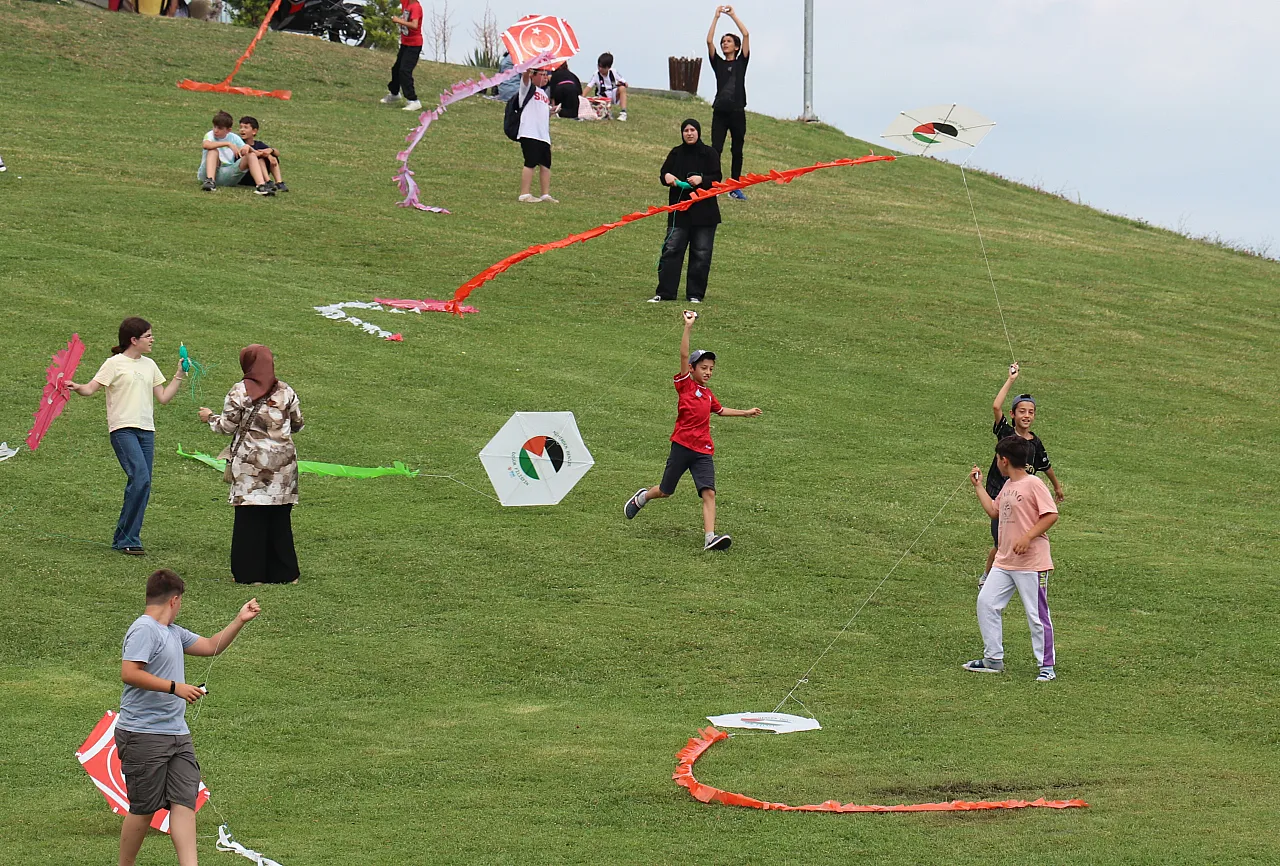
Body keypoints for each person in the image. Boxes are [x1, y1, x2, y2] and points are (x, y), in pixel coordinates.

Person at [116, 569, 260, 866]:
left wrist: (239, 621)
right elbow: (129, 673)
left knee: (184, 801)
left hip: (177, 734)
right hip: (143, 733)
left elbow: (210, 646)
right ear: (174, 600)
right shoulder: (144, 629)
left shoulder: (174, 632)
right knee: (143, 807)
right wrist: (175, 687)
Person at [624, 310, 761, 551]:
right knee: (666, 491)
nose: (708, 372)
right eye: (704, 367)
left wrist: (745, 412)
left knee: (709, 492)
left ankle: (710, 537)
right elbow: (684, 353)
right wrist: (688, 326)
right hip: (682, 446)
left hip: (703, 450)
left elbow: (719, 411)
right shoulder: (685, 385)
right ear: (692, 368)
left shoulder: (708, 395)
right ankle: (643, 497)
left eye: (711, 368)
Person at [67, 318, 185, 555]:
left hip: (146, 431)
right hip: (123, 429)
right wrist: (76, 386)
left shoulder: (149, 365)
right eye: (148, 336)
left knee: (144, 483)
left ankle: (125, 537)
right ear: (134, 340)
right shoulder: (114, 364)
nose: (152, 340)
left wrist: (179, 375)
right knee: (140, 478)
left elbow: (162, 397)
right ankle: (128, 538)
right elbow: (91, 388)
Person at [199, 346, 304, 585]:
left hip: (251, 466)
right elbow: (298, 424)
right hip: (284, 466)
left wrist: (209, 417)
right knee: (279, 519)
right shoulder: (286, 391)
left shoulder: (239, 391)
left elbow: (226, 426)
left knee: (250, 521)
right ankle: (286, 574)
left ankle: (250, 574)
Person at [967, 437, 1060, 681]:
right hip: (1004, 561)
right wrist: (978, 487)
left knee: (1036, 615)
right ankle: (993, 659)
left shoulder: (1034, 484)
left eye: (998, 458)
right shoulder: (1008, 486)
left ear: (1004, 460)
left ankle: (1046, 666)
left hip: (1032, 563)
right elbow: (994, 511)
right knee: (986, 602)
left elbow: (1051, 515)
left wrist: (1028, 537)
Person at [981, 363, 1065, 584]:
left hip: (1024, 501)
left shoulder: (1035, 443)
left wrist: (1056, 486)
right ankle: (988, 576)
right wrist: (1011, 379)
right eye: (1022, 411)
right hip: (1001, 495)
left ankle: (1020, 573)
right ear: (1013, 414)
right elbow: (996, 407)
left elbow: (1045, 465)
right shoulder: (1006, 433)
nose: (1027, 415)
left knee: (1018, 538)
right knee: (1001, 542)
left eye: (1031, 412)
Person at [649, 119, 722, 304]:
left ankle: (695, 294)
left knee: (701, 253)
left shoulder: (709, 153)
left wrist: (702, 180)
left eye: (692, 130)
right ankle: (665, 292)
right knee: (671, 250)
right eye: (686, 130)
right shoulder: (676, 153)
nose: (689, 133)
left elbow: (717, 177)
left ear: (698, 132)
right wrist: (667, 177)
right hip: (679, 213)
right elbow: (664, 172)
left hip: (704, 215)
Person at [706, 5, 750, 200]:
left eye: (729, 41)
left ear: (737, 47)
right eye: (723, 41)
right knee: (716, 148)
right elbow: (709, 41)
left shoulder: (741, 62)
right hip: (720, 112)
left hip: (737, 111)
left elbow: (746, 34)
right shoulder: (718, 63)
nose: (724, 44)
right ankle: (713, 184)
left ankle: (734, 186)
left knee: (737, 149)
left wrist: (733, 16)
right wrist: (716, 17)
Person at [197, 110, 272, 195]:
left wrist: (249, 148)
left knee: (251, 155)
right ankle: (209, 181)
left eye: (220, 128)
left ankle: (261, 186)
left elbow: (256, 154)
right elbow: (206, 145)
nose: (216, 130)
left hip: (227, 174)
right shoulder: (210, 135)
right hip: (207, 172)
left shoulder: (234, 138)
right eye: (214, 127)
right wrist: (227, 144)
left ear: (228, 130)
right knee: (213, 151)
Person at [516, 66, 557, 203]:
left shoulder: (545, 94)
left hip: (543, 135)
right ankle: (524, 193)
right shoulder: (527, 89)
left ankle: (545, 194)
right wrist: (529, 67)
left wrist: (551, 112)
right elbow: (525, 77)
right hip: (529, 132)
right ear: (534, 75)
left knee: (546, 164)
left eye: (547, 74)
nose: (546, 77)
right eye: (543, 74)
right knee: (530, 162)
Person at [380, 0, 424, 111]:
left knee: (405, 71)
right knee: (396, 69)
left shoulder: (416, 7)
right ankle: (395, 94)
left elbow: (414, 25)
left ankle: (413, 100)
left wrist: (398, 21)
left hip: (414, 45)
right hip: (405, 43)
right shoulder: (406, 2)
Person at [236, 117, 288, 193]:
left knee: (273, 157)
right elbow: (252, 154)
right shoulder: (240, 144)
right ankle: (267, 181)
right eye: (241, 127)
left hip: (258, 175)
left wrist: (271, 150)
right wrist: (267, 155)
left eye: (246, 127)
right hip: (245, 175)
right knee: (260, 159)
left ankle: (279, 182)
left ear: (254, 131)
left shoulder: (259, 144)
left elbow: (277, 153)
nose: (242, 130)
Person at [586, 52, 628, 121]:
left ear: (608, 67)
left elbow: (625, 84)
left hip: (613, 95)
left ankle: (623, 113)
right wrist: (581, 98)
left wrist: (621, 84)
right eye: (599, 66)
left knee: (622, 88)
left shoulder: (613, 72)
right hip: (602, 97)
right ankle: (606, 112)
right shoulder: (596, 75)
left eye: (602, 67)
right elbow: (589, 87)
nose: (600, 69)